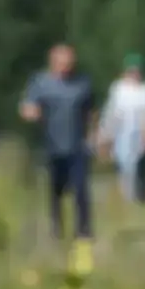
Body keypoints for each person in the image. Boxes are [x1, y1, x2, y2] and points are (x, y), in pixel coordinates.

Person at [20, 43, 95, 239]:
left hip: (77, 145)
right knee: (56, 190)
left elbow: (91, 111)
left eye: (69, 64)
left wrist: (96, 135)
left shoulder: (82, 83)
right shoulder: (41, 82)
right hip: (51, 145)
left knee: (81, 189)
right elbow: (28, 105)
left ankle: (84, 231)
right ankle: (56, 229)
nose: (66, 67)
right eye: (62, 64)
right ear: (53, 63)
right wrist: (31, 112)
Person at [97, 53, 145, 204]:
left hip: (142, 135)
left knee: (141, 168)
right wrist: (105, 135)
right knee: (125, 167)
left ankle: (140, 196)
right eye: (131, 71)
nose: (135, 74)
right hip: (122, 135)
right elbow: (110, 113)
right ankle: (127, 197)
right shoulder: (118, 90)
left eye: (137, 71)